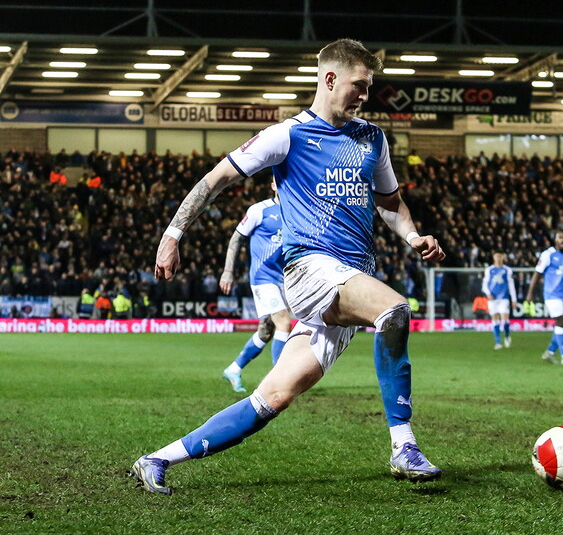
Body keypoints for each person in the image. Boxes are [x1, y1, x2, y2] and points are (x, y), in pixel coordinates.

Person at [131, 39, 446, 495]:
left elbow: (391, 202)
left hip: (348, 279)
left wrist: (413, 235)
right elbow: (215, 179)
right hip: (309, 271)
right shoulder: (289, 134)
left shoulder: (372, 138)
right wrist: (173, 234)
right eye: (359, 85)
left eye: (370, 87)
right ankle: (404, 445)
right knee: (394, 310)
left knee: (272, 398)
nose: (365, 95)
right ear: (330, 78)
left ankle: (158, 458)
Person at [219, 180, 292, 393]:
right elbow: (236, 239)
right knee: (284, 323)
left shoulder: (296, 210)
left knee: (266, 330)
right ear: (272, 186)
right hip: (262, 277)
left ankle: (233, 369)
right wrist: (228, 271)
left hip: (283, 279)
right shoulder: (259, 210)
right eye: (280, 182)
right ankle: (280, 380)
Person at [526, 232, 563, 365]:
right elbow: (537, 274)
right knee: (559, 321)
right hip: (551, 294)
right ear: (555, 239)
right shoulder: (547, 254)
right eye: (560, 237)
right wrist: (530, 293)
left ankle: (549, 352)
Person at [482, 252, 519, 350]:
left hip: (504, 298)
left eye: (500, 256)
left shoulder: (507, 270)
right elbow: (485, 284)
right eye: (496, 256)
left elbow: (511, 285)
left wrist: (514, 299)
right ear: (493, 257)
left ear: (503, 257)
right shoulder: (489, 270)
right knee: (495, 319)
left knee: (504, 319)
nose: (498, 258)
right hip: (492, 298)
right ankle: (498, 342)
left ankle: (507, 336)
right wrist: (488, 293)